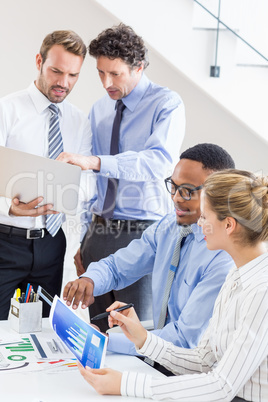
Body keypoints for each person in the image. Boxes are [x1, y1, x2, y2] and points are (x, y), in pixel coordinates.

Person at [78, 169, 268, 402]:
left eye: (205, 217)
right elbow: (203, 361)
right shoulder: (236, 277)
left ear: (228, 225)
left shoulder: (261, 290)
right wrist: (143, 339)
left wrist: (126, 383)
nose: (198, 223)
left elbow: (221, 386)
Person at [58, 23, 186, 330]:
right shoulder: (100, 109)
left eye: (115, 73)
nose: (106, 82)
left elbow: (158, 163)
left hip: (143, 235)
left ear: (138, 67)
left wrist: (95, 161)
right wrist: (86, 237)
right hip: (98, 235)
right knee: (99, 333)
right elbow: (94, 183)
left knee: (136, 335)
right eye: (101, 72)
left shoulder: (166, 104)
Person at [63, 143, 235, 359]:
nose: (176, 198)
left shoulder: (223, 257)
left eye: (187, 191)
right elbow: (118, 267)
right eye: (173, 186)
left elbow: (184, 339)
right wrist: (90, 280)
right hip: (157, 353)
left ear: (219, 194)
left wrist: (108, 340)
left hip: (190, 367)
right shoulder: (169, 228)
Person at [0, 30, 92, 319]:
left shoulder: (79, 121)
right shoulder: (7, 110)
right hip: (5, 240)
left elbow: (86, 183)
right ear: (39, 61)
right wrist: (8, 206)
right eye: (56, 71)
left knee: (41, 329)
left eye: (73, 75)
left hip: (52, 243)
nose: (63, 83)